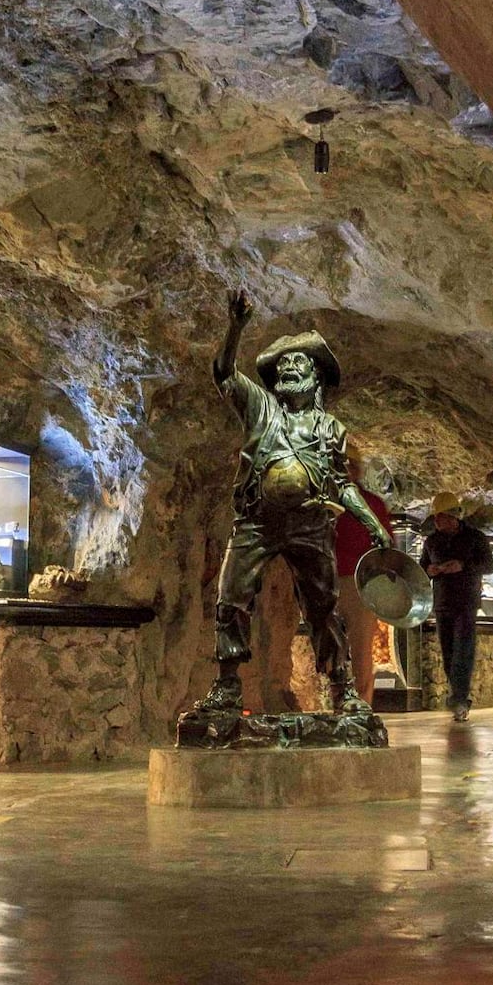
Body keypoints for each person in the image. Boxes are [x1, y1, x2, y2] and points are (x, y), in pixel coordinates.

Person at [203, 289, 388, 714]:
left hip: (309, 524)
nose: (288, 368)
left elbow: (342, 485)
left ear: (315, 377)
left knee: (323, 606)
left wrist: (372, 526)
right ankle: (228, 685)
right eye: (282, 365)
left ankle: (341, 689)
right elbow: (224, 375)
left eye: (297, 363)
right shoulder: (261, 409)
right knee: (231, 597)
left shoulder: (330, 428)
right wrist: (235, 328)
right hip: (257, 521)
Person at [419, 491, 493, 722]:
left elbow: (488, 565)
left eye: (440, 517)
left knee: (464, 650)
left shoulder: (475, 538)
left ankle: (460, 699)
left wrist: (462, 566)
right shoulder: (432, 541)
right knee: (449, 652)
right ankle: (457, 697)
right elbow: (421, 568)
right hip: (442, 604)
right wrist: (429, 571)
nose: (437, 522)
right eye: (435, 518)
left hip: (466, 603)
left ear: (453, 517)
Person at [333, 440, 393, 703]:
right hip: (328, 583)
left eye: (349, 466)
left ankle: (361, 704)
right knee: (331, 647)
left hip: (359, 584)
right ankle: (338, 699)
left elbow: (386, 548)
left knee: (359, 648)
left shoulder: (372, 504)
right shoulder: (323, 504)